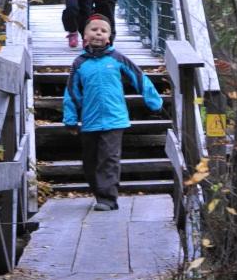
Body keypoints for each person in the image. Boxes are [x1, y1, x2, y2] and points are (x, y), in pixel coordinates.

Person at [63, 12, 163, 210]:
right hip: (90, 120)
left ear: (109, 37)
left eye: (103, 31)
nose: (98, 33)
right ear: (85, 35)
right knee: (90, 162)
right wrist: (71, 119)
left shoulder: (117, 59)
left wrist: (155, 102)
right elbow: (71, 92)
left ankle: (107, 199)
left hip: (115, 119)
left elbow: (140, 78)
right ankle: (99, 192)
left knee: (109, 158)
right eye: (94, 30)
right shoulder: (80, 63)